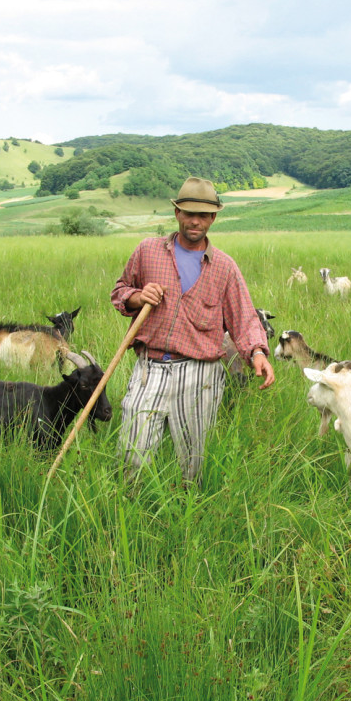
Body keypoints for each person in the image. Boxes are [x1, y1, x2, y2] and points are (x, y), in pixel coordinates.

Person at [111, 176, 275, 481]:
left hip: (200, 375)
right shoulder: (148, 251)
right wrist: (138, 296)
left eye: (203, 215)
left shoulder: (225, 267)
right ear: (177, 213)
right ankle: (128, 502)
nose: (195, 221)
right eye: (189, 213)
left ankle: (187, 507)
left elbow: (243, 317)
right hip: (150, 368)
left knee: (192, 462)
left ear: (213, 218)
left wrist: (257, 353)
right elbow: (120, 291)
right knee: (133, 453)